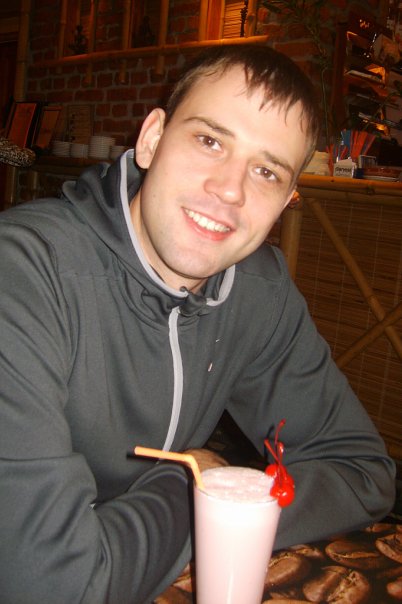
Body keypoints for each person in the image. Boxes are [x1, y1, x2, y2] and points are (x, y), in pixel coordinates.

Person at [0, 44, 395, 603]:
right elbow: (51, 586)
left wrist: (225, 496)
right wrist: (192, 490)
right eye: (210, 140)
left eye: (266, 171)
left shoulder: (257, 289)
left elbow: (362, 471)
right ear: (151, 139)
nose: (230, 189)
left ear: (287, 201)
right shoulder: (23, 272)